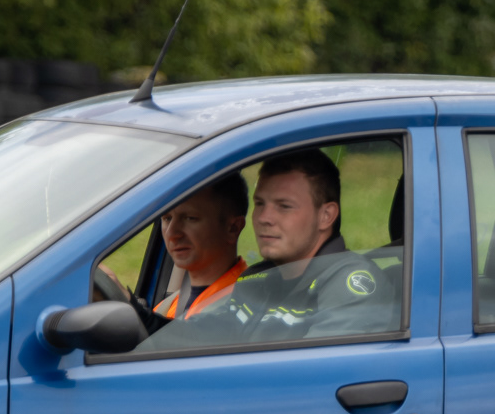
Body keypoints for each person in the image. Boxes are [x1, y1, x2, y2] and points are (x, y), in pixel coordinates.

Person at [141, 148, 394, 350]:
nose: (264, 218)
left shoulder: (349, 287)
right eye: (260, 204)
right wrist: (137, 316)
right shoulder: (259, 279)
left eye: (284, 206)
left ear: (326, 216)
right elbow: (199, 338)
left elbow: (315, 381)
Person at [154, 173, 249, 319]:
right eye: (167, 218)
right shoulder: (171, 304)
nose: (171, 233)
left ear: (233, 228)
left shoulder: (243, 306)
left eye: (190, 218)